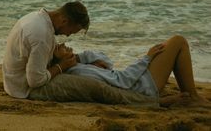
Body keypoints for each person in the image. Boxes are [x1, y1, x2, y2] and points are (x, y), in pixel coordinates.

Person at [39, 35, 209, 107]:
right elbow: (123, 80)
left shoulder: (77, 66)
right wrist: (146, 57)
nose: (61, 44)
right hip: (143, 87)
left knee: (173, 44)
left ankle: (189, 91)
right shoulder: (79, 74)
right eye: (57, 48)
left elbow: (108, 62)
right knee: (178, 41)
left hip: (139, 81)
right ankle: (192, 96)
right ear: (57, 61)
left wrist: (79, 58)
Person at [2, 1, 90, 98]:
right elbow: (35, 81)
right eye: (70, 31)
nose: (67, 35)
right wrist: (61, 66)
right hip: (23, 88)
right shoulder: (42, 35)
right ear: (64, 21)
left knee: (84, 70)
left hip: (13, 80)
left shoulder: (36, 18)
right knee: (91, 87)